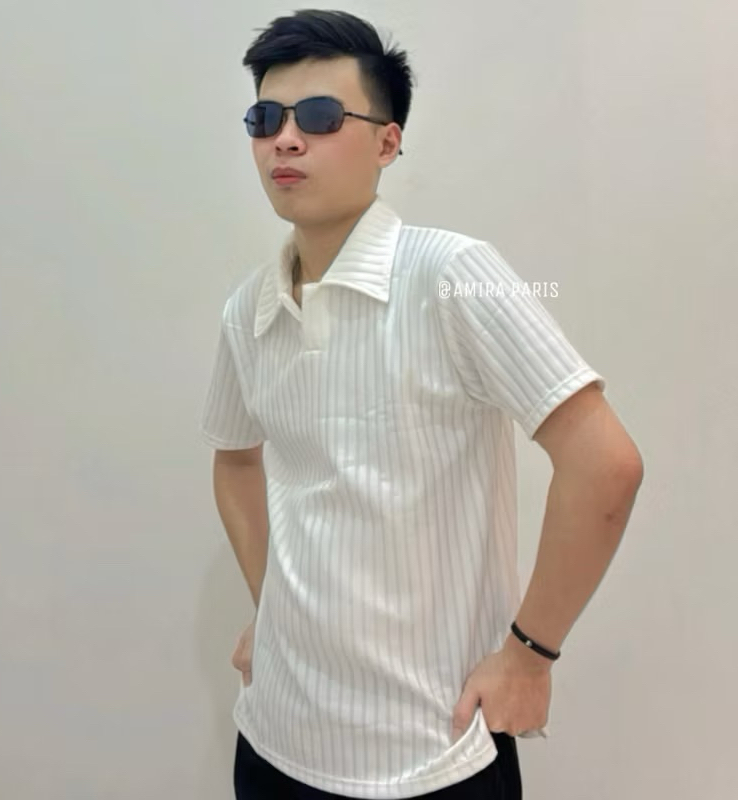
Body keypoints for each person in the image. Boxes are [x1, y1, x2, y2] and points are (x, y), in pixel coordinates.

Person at [200, 9, 644, 799]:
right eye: (265, 119)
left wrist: (530, 655)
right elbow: (235, 462)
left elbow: (604, 464)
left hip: (430, 754)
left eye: (320, 116)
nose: (285, 140)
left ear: (387, 142)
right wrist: (274, 610)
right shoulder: (249, 309)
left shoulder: (454, 276)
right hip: (272, 740)